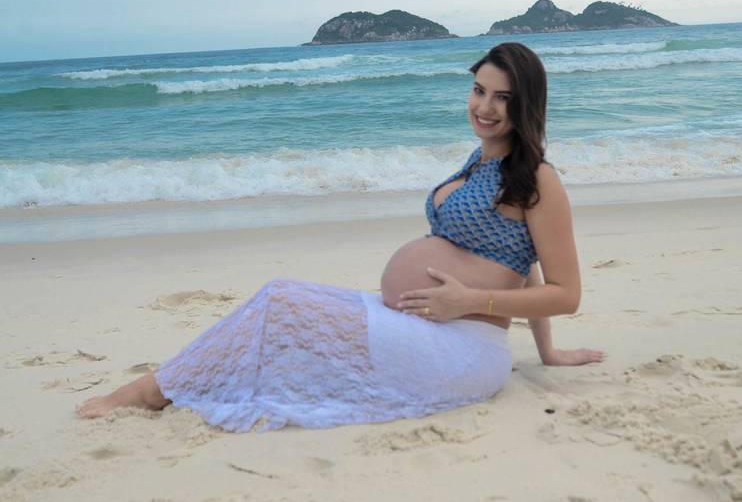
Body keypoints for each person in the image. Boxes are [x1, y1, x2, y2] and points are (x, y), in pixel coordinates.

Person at [77, 42, 604, 432]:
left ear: (525, 104)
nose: (484, 107)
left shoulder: (539, 178)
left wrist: (471, 301)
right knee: (280, 309)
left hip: (464, 348)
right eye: (478, 90)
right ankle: (173, 383)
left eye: (502, 98)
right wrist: (547, 352)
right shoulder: (477, 162)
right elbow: (519, 260)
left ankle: (151, 390)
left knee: (281, 301)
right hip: (424, 326)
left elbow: (565, 292)